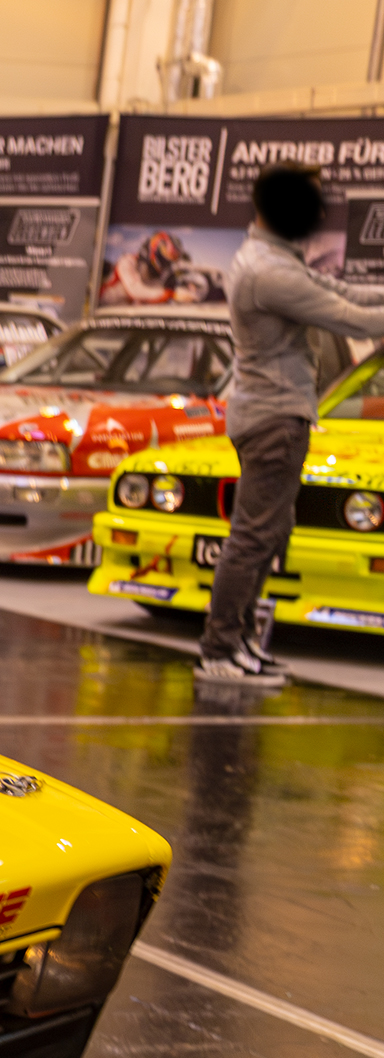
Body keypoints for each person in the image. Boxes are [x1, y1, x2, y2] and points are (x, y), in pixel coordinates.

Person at [198, 163, 384, 685]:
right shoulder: (269, 272)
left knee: (270, 532)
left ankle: (239, 643)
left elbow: (349, 294)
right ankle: (219, 649)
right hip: (273, 417)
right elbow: (351, 319)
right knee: (253, 537)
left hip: (277, 413)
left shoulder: (277, 258)